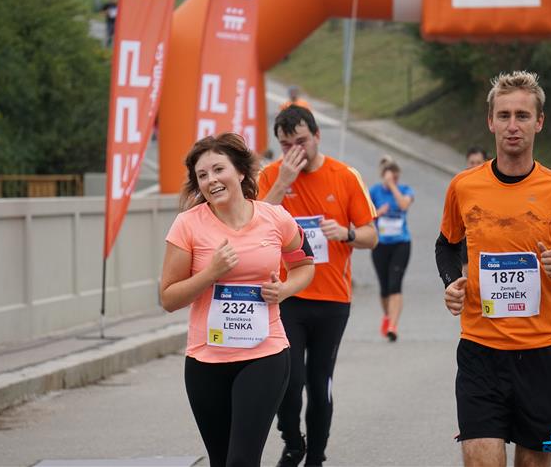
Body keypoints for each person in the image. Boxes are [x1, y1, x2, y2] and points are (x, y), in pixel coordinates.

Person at [435, 71, 551, 467]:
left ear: (539, 122)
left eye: (522, 116)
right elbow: (447, 245)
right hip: (480, 350)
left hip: (542, 351)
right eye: (504, 115)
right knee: (481, 458)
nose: (513, 126)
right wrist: (452, 282)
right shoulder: (463, 186)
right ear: (490, 121)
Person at [160, 133, 315, 466]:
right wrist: (211, 273)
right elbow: (168, 298)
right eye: (202, 175)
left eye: (219, 169)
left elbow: (304, 265)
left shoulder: (275, 218)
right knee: (221, 461)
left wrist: (285, 290)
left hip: (264, 353)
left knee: (241, 461)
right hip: (205, 360)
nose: (211, 180)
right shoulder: (187, 225)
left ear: (241, 172)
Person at [258, 105, 377, 466]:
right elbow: (253, 225)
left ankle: (316, 456)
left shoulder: (345, 176)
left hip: (332, 300)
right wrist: (283, 183)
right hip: (288, 295)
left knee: (319, 382)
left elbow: (371, 235)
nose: (294, 151)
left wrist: (346, 233)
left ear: (317, 136)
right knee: (288, 380)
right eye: (285, 145)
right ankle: (293, 442)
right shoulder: (271, 176)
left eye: (301, 141)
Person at [369, 155, 414, 342]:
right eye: (390, 176)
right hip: (380, 244)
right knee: (384, 287)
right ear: (382, 175)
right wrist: (378, 212)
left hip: (401, 243)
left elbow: (403, 205)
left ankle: (393, 326)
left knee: (395, 284)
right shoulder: (374, 191)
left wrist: (393, 187)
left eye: (396, 176)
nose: (393, 179)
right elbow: (364, 215)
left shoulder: (405, 190)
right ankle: (388, 316)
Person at [460, 146, 489, 274]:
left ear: (485, 162)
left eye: (478, 162)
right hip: (467, 238)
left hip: (490, 239)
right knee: (468, 277)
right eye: (472, 163)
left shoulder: (494, 184)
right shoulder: (461, 185)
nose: (475, 166)